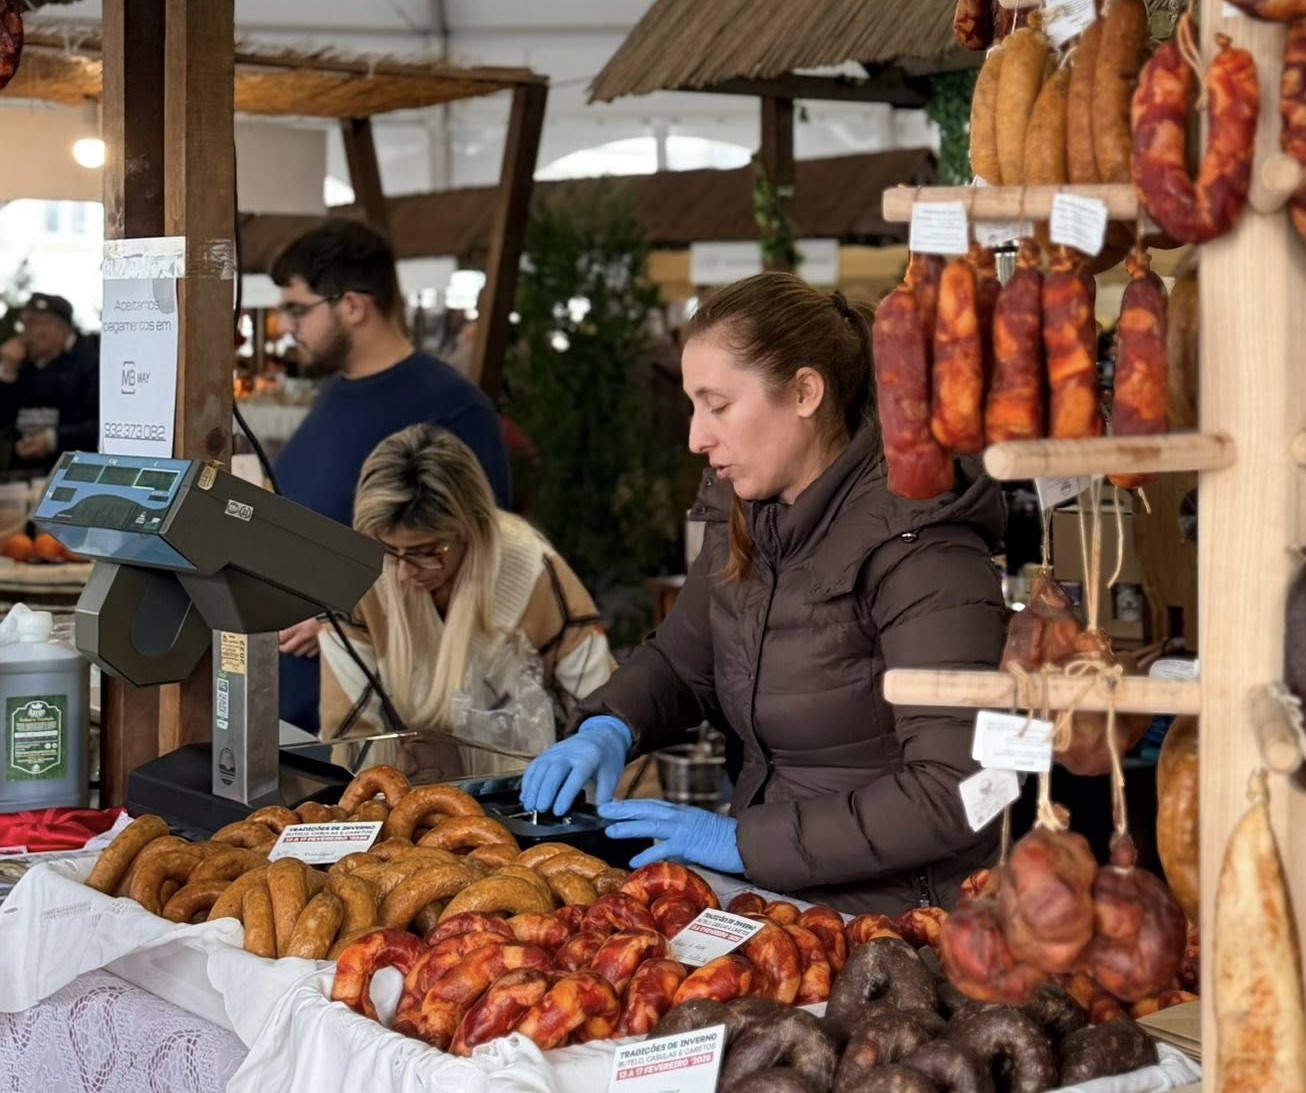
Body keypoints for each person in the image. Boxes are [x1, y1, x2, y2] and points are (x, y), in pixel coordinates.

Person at [520, 271, 1009, 916]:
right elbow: (682, 660)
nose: (697, 437)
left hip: (903, 923)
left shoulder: (923, 549)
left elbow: (960, 791)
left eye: (717, 405)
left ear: (805, 392)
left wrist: (744, 840)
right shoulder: (750, 518)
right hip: (777, 900)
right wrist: (611, 723)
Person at [268, 219, 512, 733]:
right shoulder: (334, 394)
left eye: (297, 308)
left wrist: (354, 616)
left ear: (352, 306)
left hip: (384, 732)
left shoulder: (451, 409)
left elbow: (484, 563)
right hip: (293, 712)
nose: (286, 326)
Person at [319, 424, 613, 750]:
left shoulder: (535, 575)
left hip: (520, 785)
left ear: (475, 528)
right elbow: (347, 736)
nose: (403, 573)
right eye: (389, 551)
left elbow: (603, 714)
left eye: (426, 552)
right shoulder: (360, 575)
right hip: (396, 784)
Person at [0, 293, 100, 474]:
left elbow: (100, 425)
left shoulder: (91, 360)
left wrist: (54, 439)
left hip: (73, 471)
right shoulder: (21, 361)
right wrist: (7, 373)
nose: (25, 334)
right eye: (24, 325)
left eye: (34, 324)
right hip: (23, 473)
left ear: (60, 328)